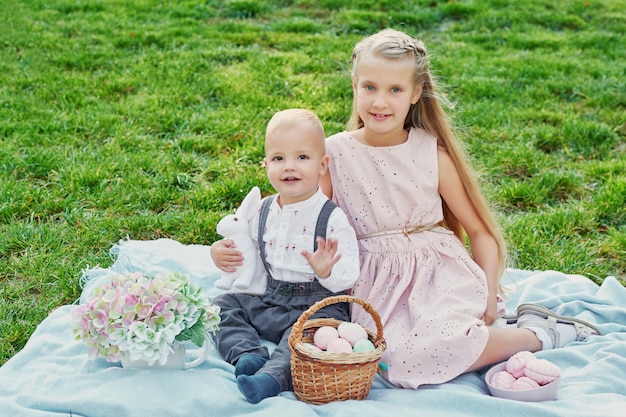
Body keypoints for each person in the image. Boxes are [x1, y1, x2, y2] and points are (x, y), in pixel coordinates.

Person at [318, 28, 600, 389]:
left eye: (395, 90)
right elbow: (308, 223)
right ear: (354, 85)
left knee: (430, 349)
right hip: (377, 283)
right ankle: (501, 337)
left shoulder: (430, 154)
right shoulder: (334, 154)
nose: (380, 102)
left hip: (439, 274)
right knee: (387, 358)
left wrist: (487, 292)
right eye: (370, 87)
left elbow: (480, 231)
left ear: (416, 93)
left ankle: (540, 334)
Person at [209, 109, 360, 402]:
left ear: (322, 164)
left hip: (317, 304)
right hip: (271, 298)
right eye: (279, 158)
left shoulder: (331, 217)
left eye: (302, 157)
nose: (289, 167)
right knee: (221, 305)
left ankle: (272, 378)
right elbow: (246, 250)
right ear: (266, 164)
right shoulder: (263, 210)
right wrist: (220, 254)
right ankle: (247, 355)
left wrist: (326, 270)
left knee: (307, 337)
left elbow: (350, 271)